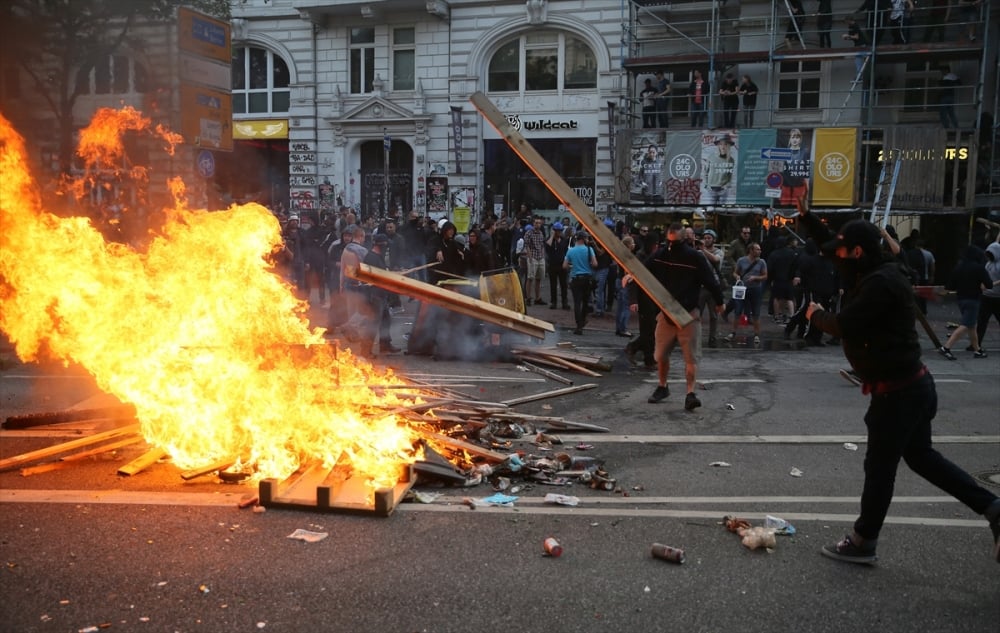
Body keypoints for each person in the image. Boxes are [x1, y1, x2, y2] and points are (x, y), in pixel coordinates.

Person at [800, 215, 1000, 565]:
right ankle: (993, 507)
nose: (836, 259)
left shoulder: (881, 283)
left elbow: (844, 325)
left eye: (843, 253)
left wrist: (814, 315)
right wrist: (806, 217)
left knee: (880, 469)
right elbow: (832, 244)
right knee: (921, 457)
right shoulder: (879, 266)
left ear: (857, 252)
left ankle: (864, 540)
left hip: (898, 394)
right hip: (911, 385)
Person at [633, 223, 723, 411]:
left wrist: (720, 301)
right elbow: (644, 269)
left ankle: (690, 393)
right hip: (666, 314)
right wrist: (632, 275)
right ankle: (662, 386)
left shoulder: (695, 258)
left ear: (686, 240)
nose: (672, 246)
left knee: (691, 358)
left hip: (688, 314)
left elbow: (711, 281)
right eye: (669, 242)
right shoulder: (662, 255)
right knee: (660, 355)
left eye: (676, 242)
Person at [937, 245, 991, 359]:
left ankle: (977, 350)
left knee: (972, 326)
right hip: (974, 299)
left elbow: (950, 285)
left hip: (961, 299)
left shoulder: (959, 267)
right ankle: (946, 347)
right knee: (966, 325)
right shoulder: (979, 268)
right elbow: (989, 284)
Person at [725, 242, 768, 346]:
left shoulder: (761, 262)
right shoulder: (741, 260)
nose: (759, 251)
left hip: (756, 289)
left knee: (756, 313)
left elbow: (765, 276)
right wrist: (737, 277)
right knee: (738, 311)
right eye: (757, 249)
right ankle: (733, 332)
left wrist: (756, 278)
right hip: (743, 289)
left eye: (760, 249)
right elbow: (735, 272)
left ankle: (756, 334)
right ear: (751, 250)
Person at [564, 232, 597, 335]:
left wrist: (572, 266)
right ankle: (583, 320)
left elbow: (564, 266)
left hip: (576, 278)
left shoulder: (571, 251)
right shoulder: (589, 249)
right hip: (587, 278)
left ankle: (578, 325)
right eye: (587, 238)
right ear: (583, 239)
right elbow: (595, 264)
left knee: (577, 302)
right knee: (585, 302)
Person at [696, 229, 724, 347]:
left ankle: (712, 337)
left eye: (709, 238)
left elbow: (715, 260)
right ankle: (696, 337)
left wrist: (703, 250)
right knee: (697, 314)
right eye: (705, 238)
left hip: (713, 286)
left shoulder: (719, 251)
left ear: (714, 239)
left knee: (713, 315)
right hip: (701, 286)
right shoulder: (698, 252)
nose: (707, 240)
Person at [766, 236, 800, 325]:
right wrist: (794, 276)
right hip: (789, 279)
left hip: (777, 279)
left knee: (777, 298)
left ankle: (777, 316)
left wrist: (770, 279)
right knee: (789, 298)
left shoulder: (774, 254)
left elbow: (769, 268)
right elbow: (796, 265)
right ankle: (791, 316)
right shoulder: (792, 253)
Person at [976, 241, 1000, 347]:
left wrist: (990, 284)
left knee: (983, 321)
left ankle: (976, 343)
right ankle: (976, 343)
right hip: (986, 296)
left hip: (997, 297)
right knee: (981, 322)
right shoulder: (989, 263)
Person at [779, 129, 810, 207]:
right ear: (790, 139)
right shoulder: (784, 152)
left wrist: (807, 188)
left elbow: (806, 170)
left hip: (799, 185)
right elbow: (779, 169)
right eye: (793, 137)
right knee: (784, 206)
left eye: (797, 137)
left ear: (800, 139)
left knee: (799, 207)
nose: (795, 139)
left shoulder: (805, 152)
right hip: (785, 186)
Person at [702, 134, 735, 205]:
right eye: (720, 144)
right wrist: (707, 185)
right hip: (711, 190)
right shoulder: (711, 157)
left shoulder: (731, 160)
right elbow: (705, 172)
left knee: (722, 210)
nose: (723, 146)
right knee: (710, 209)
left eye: (725, 144)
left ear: (728, 146)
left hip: (723, 190)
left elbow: (730, 175)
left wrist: (727, 186)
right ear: (718, 146)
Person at [615, 235, 637, 337]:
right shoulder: (628, 256)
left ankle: (619, 327)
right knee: (625, 305)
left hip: (619, 280)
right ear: (628, 245)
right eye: (632, 242)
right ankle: (623, 328)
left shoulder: (620, 254)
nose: (634, 244)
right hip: (625, 281)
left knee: (620, 306)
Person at [545, 221, 570, 309]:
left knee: (564, 285)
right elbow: (547, 246)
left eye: (560, 231)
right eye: (557, 231)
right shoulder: (550, 239)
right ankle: (553, 302)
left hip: (562, 264)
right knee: (553, 284)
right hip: (552, 264)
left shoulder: (564, 240)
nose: (558, 232)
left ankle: (564, 302)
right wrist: (552, 236)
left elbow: (567, 252)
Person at [524, 216, 547, 305]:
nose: (538, 224)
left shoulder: (541, 233)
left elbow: (542, 245)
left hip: (540, 257)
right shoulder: (529, 233)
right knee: (530, 278)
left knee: (539, 278)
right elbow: (527, 245)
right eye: (536, 223)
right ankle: (528, 298)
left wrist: (542, 255)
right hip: (532, 256)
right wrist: (529, 257)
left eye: (539, 223)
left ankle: (538, 298)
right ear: (533, 223)